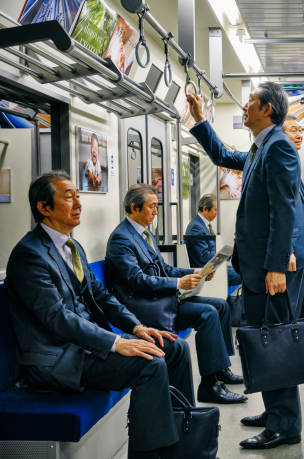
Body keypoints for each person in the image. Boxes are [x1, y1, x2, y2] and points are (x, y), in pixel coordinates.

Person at [5, 171, 193, 459]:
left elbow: (102, 298)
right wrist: (116, 343)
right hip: (58, 358)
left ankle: (186, 439)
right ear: (44, 208)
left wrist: (137, 327)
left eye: (78, 197)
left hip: (87, 348)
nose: (78, 204)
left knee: (175, 348)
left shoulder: (72, 245)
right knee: (151, 363)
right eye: (69, 198)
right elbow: (58, 318)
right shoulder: (29, 255)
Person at [187, 82, 302, 450]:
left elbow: (283, 211)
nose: (245, 106)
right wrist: (199, 119)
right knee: (262, 341)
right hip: (254, 268)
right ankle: (274, 412)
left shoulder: (279, 146)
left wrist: (276, 267)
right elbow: (221, 154)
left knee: (275, 344)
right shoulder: (259, 149)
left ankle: (285, 424)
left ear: (267, 109)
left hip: (266, 270)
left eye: (250, 101)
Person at [105, 184, 246, 405]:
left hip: (160, 298)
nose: (155, 212)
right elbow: (137, 280)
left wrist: (195, 272)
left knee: (219, 306)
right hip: (145, 305)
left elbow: (166, 270)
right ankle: (210, 385)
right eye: (151, 207)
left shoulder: (145, 234)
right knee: (208, 314)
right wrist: (178, 283)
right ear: (134, 207)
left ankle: (220, 369)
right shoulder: (121, 239)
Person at [283, 115, 304, 317]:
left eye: (300, 130)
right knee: (287, 308)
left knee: (294, 306)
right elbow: (282, 214)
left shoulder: (293, 163)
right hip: (292, 254)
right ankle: (282, 346)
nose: (299, 135)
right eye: (293, 130)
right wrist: (289, 250)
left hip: (302, 251)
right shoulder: (282, 165)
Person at [185, 193, 241, 288]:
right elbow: (204, 257)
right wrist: (224, 254)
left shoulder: (202, 225)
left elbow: (211, 249)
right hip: (205, 271)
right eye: (215, 210)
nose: (216, 213)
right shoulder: (196, 227)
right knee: (243, 275)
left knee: (242, 271)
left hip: (212, 268)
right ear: (205, 209)